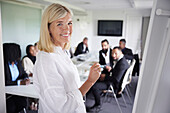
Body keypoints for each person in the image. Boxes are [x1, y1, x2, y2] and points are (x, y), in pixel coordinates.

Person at [33, 3, 101, 113]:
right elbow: (61, 107)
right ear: (48, 28)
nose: (67, 29)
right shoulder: (46, 59)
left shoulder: (62, 53)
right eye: (60, 24)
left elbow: (72, 89)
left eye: (69, 23)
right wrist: (90, 82)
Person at [3, 43, 30, 113]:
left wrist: (25, 78)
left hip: (18, 92)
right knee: (12, 107)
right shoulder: (2, 65)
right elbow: (2, 82)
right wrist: (19, 82)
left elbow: (23, 73)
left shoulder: (17, 62)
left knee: (23, 104)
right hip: (7, 95)